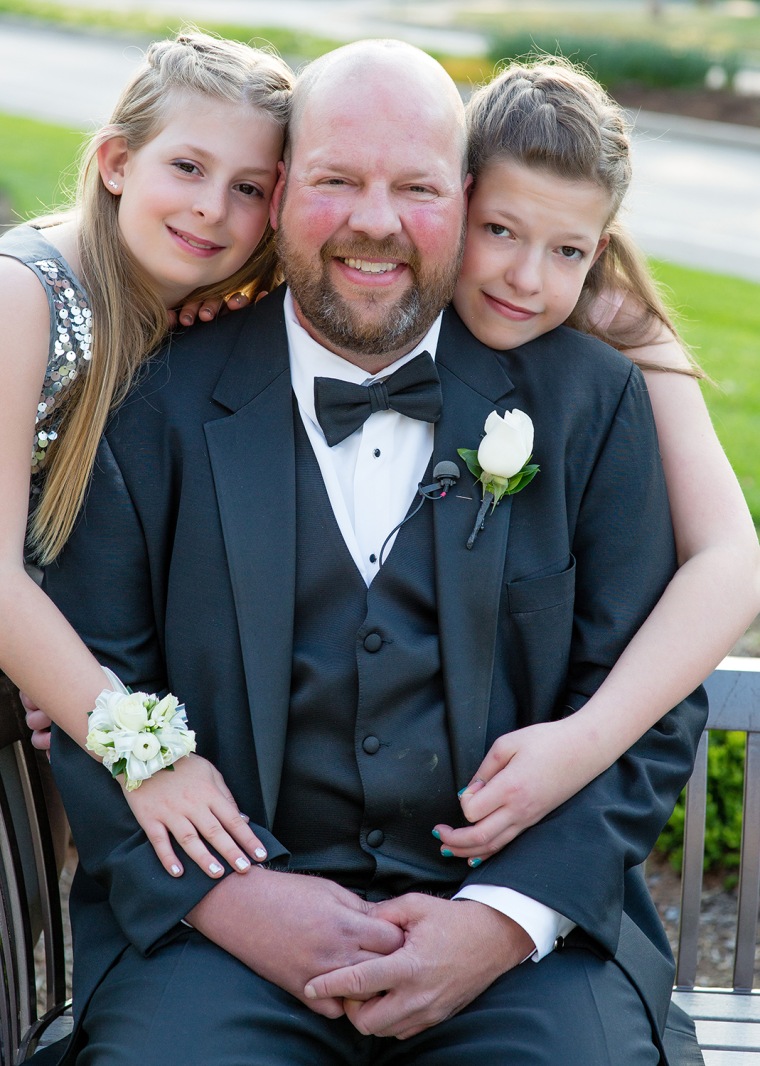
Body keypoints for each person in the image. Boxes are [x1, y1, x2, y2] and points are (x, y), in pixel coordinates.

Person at [39, 38, 707, 1064]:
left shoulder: (591, 399)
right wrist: (231, 898)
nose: (375, 222)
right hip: (219, 934)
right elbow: (92, 686)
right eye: (336, 181)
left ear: (467, 193)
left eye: (416, 188)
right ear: (280, 192)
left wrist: (503, 917)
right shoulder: (151, 403)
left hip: (523, 944)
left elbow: (653, 703)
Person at [432, 57, 760, 863]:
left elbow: (732, 561)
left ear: (599, 247)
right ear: (457, 198)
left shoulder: (615, 323)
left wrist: (585, 740)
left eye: (567, 250)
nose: (526, 278)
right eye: (500, 230)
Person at [0, 30, 293, 878]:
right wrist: (145, 751)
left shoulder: (197, 316)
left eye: (249, 189)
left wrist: (74, 679)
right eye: (189, 168)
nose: (213, 209)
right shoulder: (27, 296)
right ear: (118, 160)